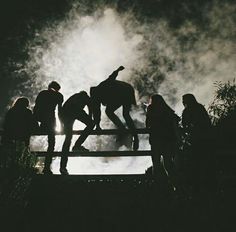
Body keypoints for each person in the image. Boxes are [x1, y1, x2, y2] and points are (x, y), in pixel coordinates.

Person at [90, 66, 139, 150]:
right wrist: (97, 125)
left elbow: (111, 77)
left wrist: (118, 70)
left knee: (125, 114)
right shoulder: (97, 96)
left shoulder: (103, 86)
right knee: (110, 111)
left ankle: (135, 137)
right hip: (119, 95)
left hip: (126, 91)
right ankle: (123, 130)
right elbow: (96, 112)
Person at [146, 94, 180, 189]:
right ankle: (175, 186)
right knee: (168, 164)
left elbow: (148, 124)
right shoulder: (166, 110)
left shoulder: (151, 108)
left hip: (156, 140)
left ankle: (159, 186)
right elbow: (176, 120)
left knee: (156, 164)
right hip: (168, 140)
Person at [181, 93, 212, 194]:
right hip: (205, 140)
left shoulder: (187, 111)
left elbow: (185, 125)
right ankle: (207, 186)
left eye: (183, 100)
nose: (182, 102)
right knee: (204, 163)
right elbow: (207, 122)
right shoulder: (199, 108)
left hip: (194, 141)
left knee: (195, 163)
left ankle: (196, 187)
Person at [60, 91, 95, 175]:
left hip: (67, 112)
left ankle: (63, 167)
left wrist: (62, 124)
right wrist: (90, 120)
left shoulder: (74, 96)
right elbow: (91, 109)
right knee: (91, 124)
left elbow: (63, 110)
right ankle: (77, 145)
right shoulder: (86, 98)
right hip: (73, 110)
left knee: (68, 139)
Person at [33, 81, 63, 174]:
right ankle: (46, 168)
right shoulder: (58, 96)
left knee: (47, 143)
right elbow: (60, 112)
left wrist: (35, 121)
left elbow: (36, 108)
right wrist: (61, 125)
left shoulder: (43, 93)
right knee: (51, 144)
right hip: (50, 120)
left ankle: (33, 164)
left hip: (44, 120)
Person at [1, 97, 36, 167]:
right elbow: (32, 123)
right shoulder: (27, 112)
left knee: (12, 151)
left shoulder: (11, 111)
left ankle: (11, 165)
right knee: (24, 150)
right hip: (24, 135)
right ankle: (23, 165)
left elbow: (6, 124)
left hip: (11, 135)